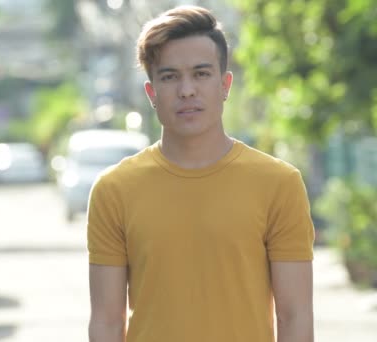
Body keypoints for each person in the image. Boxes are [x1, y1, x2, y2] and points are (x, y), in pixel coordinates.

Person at [87, 5, 314, 342]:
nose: (187, 90)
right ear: (152, 92)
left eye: (201, 73)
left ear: (225, 84)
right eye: (169, 76)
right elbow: (106, 321)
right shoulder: (114, 190)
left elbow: (294, 315)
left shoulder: (278, 184)